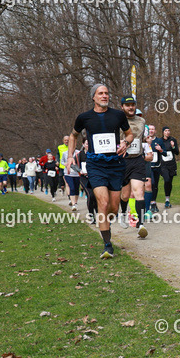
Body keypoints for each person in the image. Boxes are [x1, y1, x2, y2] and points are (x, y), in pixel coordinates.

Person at [68, 83, 132, 259]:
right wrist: (70, 157)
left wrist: (126, 143)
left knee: (113, 207)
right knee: (102, 204)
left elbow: (130, 134)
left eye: (106, 93)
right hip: (95, 165)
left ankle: (106, 224)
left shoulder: (118, 115)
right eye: (100, 93)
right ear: (93, 97)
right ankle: (107, 245)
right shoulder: (84, 117)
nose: (104, 96)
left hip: (115, 164)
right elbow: (73, 135)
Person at [117, 96, 150, 239]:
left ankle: (141, 224)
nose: (130, 107)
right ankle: (123, 213)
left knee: (139, 192)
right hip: (123, 161)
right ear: (122, 106)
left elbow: (142, 139)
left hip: (137, 160)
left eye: (133, 105)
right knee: (125, 195)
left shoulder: (141, 121)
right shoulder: (117, 120)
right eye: (127, 105)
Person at [153, 126, 178, 209]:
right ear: (163, 132)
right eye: (166, 131)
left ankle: (167, 200)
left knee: (169, 182)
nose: (167, 132)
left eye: (168, 130)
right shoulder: (160, 141)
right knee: (166, 179)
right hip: (163, 164)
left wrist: (173, 146)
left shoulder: (173, 140)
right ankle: (156, 201)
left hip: (171, 164)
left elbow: (177, 152)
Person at [65, 147, 82, 211]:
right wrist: (65, 164)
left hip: (77, 174)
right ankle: (73, 204)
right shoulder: (65, 153)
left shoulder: (78, 153)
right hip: (68, 173)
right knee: (71, 188)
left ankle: (76, 202)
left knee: (76, 188)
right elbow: (62, 162)